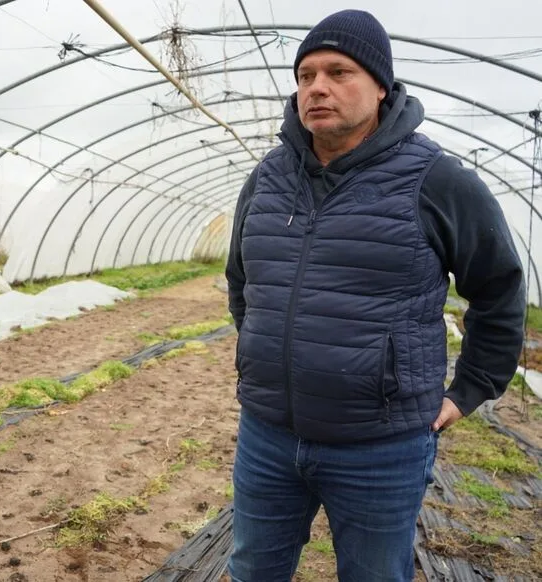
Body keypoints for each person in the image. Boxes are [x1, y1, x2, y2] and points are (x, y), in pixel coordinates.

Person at [224, 9, 526, 582]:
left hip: (379, 449)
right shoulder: (267, 177)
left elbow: (499, 291)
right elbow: (244, 282)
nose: (318, 87)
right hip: (267, 435)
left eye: (339, 72)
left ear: (380, 86)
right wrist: (260, 353)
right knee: (252, 570)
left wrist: (470, 389)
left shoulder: (437, 180)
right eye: (306, 74)